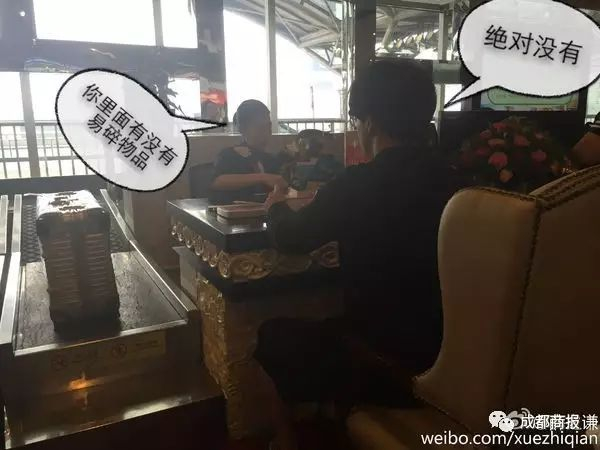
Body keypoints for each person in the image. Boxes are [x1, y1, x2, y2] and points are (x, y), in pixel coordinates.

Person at [254, 60, 457, 449]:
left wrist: (275, 207)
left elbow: (291, 238)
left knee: (270, 336)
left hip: (383, 366)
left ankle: (288, 441)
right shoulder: (456, 178)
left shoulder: (356, 185)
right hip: (451, 358)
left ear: (370, 123)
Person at [209, 100, 288, 204]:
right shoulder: (229, 154)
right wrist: (262, 177)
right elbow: (217, 182)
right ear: (242, 129)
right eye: (260, 127)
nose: (266, 131)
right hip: (234, 210)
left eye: (268, 126)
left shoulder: (270, 159)